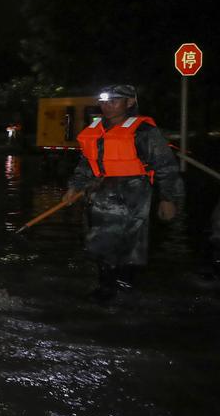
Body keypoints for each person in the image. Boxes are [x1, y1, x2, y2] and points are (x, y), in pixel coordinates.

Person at [63, 85, 184, 303]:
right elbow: (86, 162)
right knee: (100, 237)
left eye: (114, 101)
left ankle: (118, 286)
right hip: (100, 190)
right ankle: (108, 285)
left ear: (129, 103)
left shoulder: (144, 131)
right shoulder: (96, 128)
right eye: (103, 101)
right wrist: (75, 186)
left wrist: (168, 199)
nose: (106, 106)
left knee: (130, 240)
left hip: (133, 191)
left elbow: (166, 166)